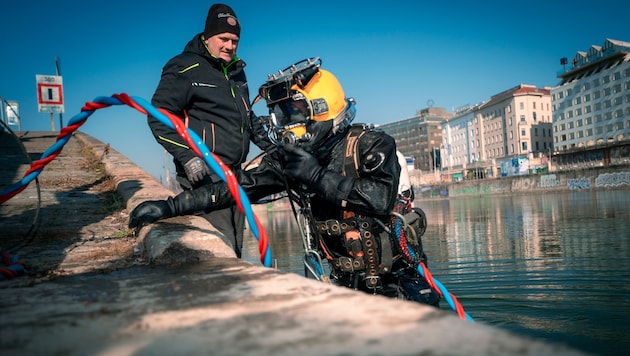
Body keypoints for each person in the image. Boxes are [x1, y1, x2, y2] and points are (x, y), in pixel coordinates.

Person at [132, 58, 440, 307]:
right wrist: (170, 206)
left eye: (293, 112)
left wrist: (316, 176)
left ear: (321, 109)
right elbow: (236, 187)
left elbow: (380, 199)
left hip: (401, 281)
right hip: (346, 283)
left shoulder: (370, 145)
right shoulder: (291, 160)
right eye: (281, 114)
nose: (287, 124)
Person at [147, 4, 270, 258]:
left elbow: (247, 118)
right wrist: (188, 158)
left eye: (234, 41)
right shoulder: (183, 67)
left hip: (235, 177)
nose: (229, 46)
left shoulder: (237, 71)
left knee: (235, 248)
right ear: (207, 36)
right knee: (219, 251)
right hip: (204, 177)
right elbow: (159, 119)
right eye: (223, 39)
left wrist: (275, 146)